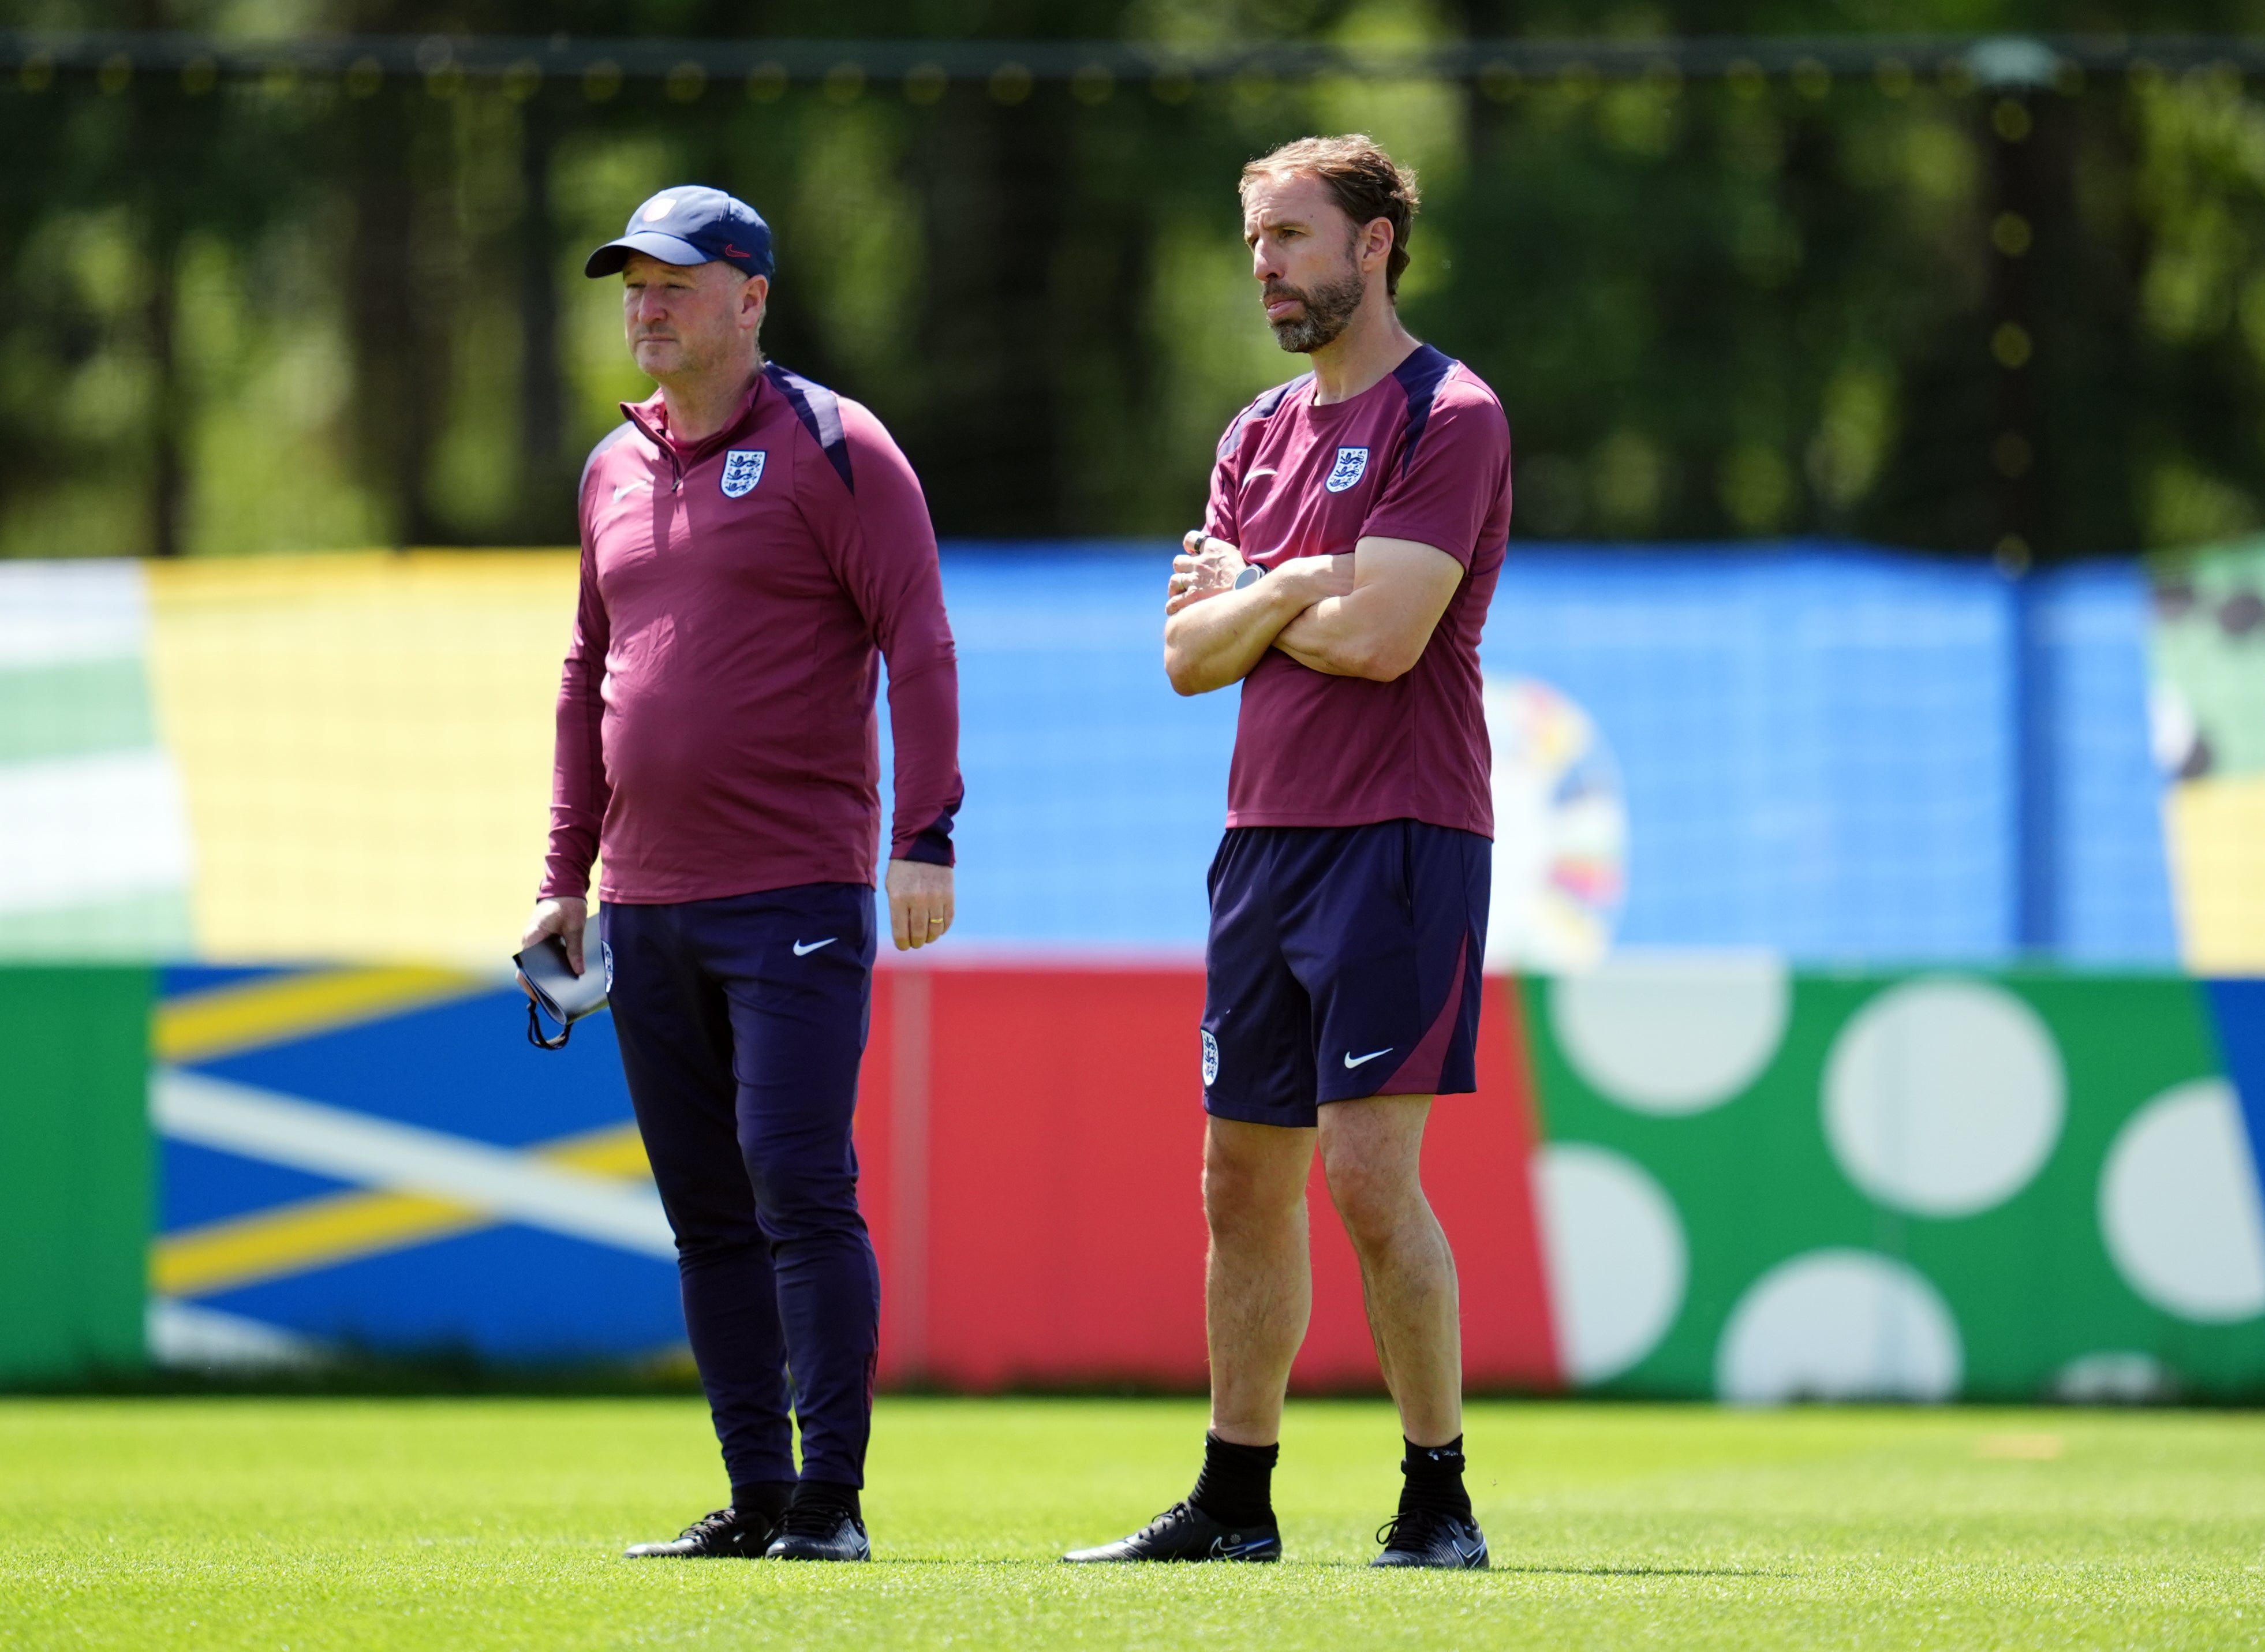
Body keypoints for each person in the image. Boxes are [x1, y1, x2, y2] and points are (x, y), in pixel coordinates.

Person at [1064, 136, 1511, 1570]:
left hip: (1402, 837)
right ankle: (1234, 1500)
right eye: (1254, 240)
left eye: (1291, 238)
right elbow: (1189, 656)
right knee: (1236, 1183)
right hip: (1264, 844)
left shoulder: (1454, 413)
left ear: (1373, 247)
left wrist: (1262, 594)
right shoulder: (1255, 431)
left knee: (1370, 1177)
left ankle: (1437, 1495)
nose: (1264, 265)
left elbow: (1385, 644)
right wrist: (1295, 585)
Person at [521, 185, 961, 1564]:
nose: (644, 305)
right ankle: (758, 1495)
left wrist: (926, 833)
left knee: (796, 1180)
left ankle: (830, 1500)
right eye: (630, 285)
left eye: (673, 281)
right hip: (647, 904)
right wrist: (561, 875)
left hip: (796, 896)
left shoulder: (839, 446)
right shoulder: (611, 466)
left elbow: (921, 645)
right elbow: (590, 674)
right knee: (707, 1211)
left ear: (751, 297)